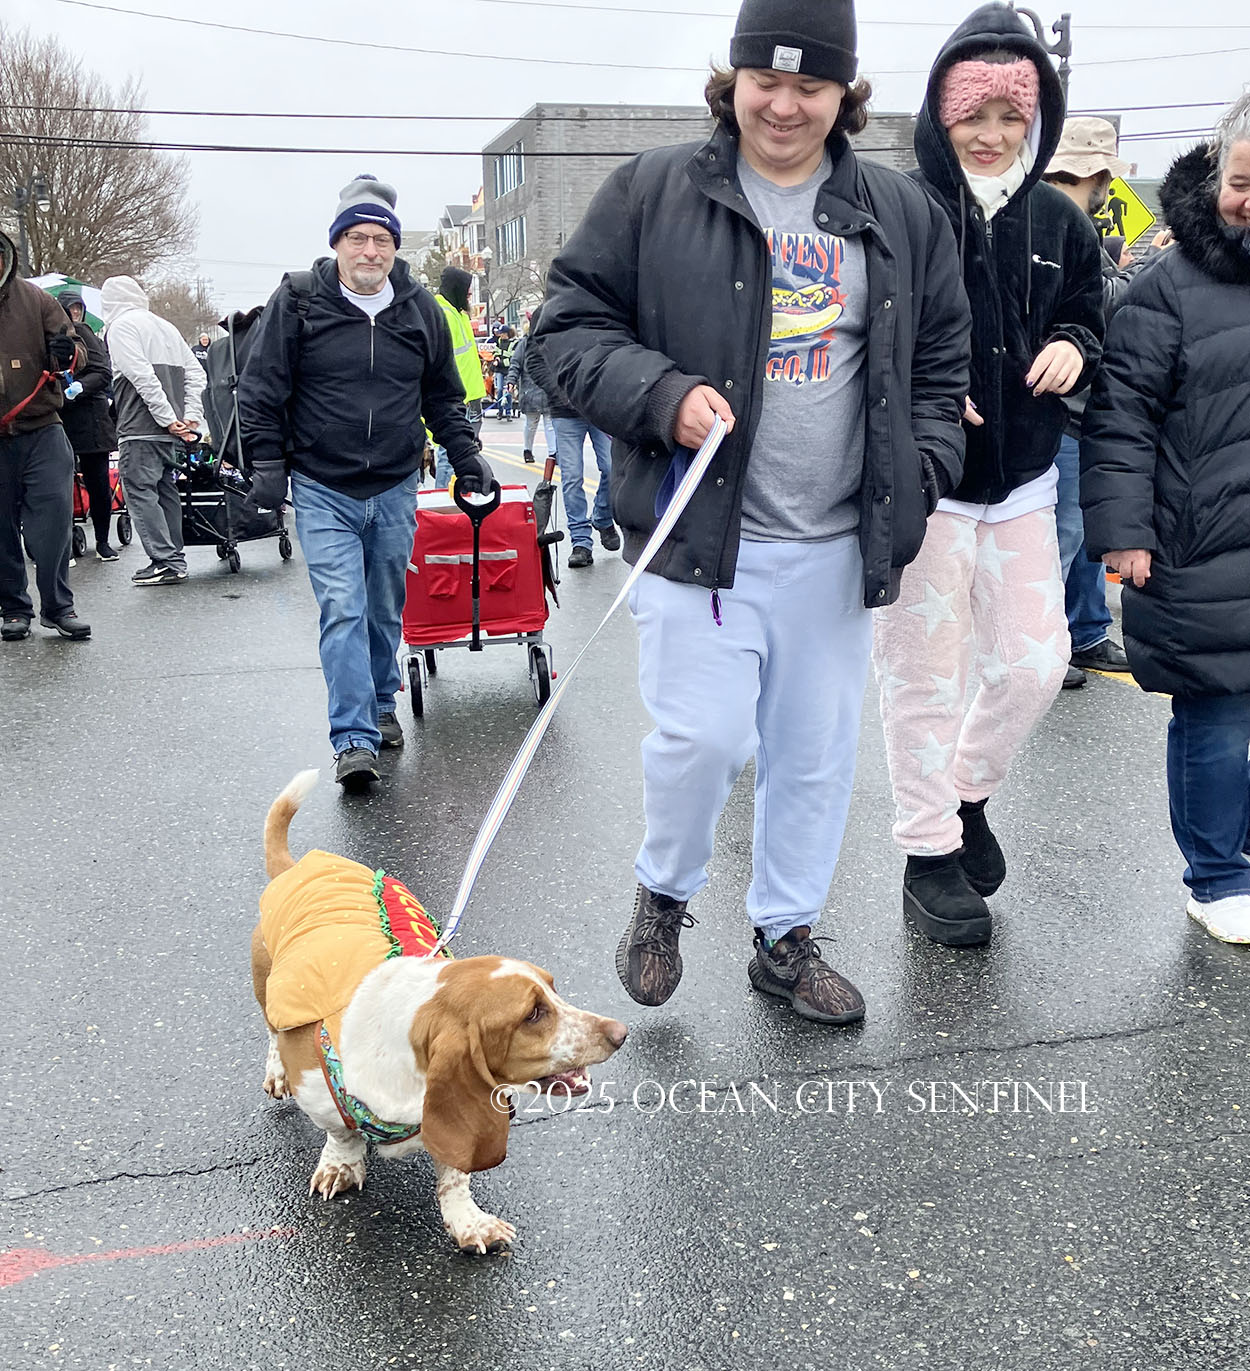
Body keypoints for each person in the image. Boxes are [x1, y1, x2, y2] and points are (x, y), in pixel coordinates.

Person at [534, 0, 970, 1023]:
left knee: (813, 760)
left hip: (837, 548)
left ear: (844, 94)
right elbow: (562, 332)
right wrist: (662, 396)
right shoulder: (651, 192)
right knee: (703, 740)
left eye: (809, 85)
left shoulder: (903, 214)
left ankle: (785, 938)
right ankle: (664, 891)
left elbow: (941, 361)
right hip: (699, 539)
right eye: (763, 82)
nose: (783, 105)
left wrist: (919, 478)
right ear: (730, 82)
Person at [872, 3, 1104, 948]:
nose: (993, 133)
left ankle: (964, 795)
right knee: (922, 675)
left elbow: (1090, 311)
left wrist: (1075, 345)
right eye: (974, 114)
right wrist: (920, 396)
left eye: (1012, 115)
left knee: (1036, 662)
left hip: (1026, 477)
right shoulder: (899, 207)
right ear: (941, 113)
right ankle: (928, 853)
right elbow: (864, 329)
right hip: (927, 481)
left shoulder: (1059, 217)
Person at [238, 174, 493, 792]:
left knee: (383, 609)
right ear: (337, 243)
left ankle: (381, 702)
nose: (370, 251)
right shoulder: (300, 302)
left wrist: (466, 456)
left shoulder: (421, 310)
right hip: (323, 485)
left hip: (396, 484)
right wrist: (267, 464)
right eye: (357, 238)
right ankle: (353, 738)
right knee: (343, 608)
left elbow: (441, 397)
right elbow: (262, 388)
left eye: (381, 240)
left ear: (395, 247)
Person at [1081, 95, 1250, 945]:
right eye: (1244, 181)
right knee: (1216, 714)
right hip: (1196, 542)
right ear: (1217, 175)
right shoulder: (1167, 287)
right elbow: (1122, 418)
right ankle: (1218, 877)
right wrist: (1126, 534)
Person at [1041, 117, 1146, 688]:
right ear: (1098, 176)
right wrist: (1144, 279)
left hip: (1075, 413)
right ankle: (1047, 646)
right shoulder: (1061, 225)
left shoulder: (1053, 218)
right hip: (1065, 413)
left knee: (1079, 535)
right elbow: (1099, 305)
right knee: (1061, 538)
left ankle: (1081, 634)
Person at [0, 231, 92, 641]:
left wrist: (67, 353)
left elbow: (78, 350)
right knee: (1, 528)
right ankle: (14, 609)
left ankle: (58, 607)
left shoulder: (36, 300)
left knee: (54, 520)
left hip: (42, 427)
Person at [101, 277, 205, 588]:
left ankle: (165, 560)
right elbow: (196, 374)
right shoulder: (166, 327)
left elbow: (141, 376)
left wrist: (166, 417)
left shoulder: (120, 328)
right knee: (165, 489)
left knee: (139, 490)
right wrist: (190, 417)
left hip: (140, 427)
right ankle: (175, 556)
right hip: (170, 432)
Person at [59, 292, 119, 562]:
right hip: (59, 417)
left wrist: (80, 387)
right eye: (69, 309)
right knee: (59, 484)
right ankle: (63, 539)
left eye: (77, 308)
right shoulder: (47, 334)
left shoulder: (85, 333)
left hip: (91, 419)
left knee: (98, 482)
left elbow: (102, 372)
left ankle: (103, 540)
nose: (74, 314)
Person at [430, 265, 487, 488]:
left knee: (461, 455)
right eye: (467, 289)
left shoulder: (457, 313)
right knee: (449, 455)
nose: (469, 294)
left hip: (467, 397)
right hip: (455, 400)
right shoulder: (443, 314)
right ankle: (442, 499)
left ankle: (454, 497)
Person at [505, 307, 557, 466]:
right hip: (533, 389)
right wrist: (511, 380)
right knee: (534, 423)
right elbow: (515, 364)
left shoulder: (543, 342)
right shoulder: (525, 344)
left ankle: (551, 452)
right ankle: (532, 450)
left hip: (542, 389)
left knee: (546, 423)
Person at [491, 327, 516, 418]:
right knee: (500, 390)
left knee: (508, 390)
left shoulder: (513, 343)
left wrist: (500, 362)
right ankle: (500, 411)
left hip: (508, 370)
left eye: (501, 333)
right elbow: (495, 352)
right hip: (499, 370)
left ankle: (508, 412)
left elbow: (512, 359)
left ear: (506, 334)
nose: (500, 335)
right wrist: (496, 357)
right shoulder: (499, 341)